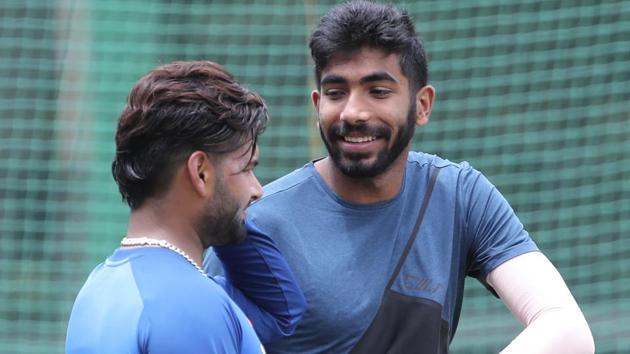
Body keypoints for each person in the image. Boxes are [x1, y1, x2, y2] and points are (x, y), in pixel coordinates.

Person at [205, 1, 595, 353]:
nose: (353, 112)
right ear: (317, 103)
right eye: (336, 92)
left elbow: (565, 328)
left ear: (421, 105)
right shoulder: (258, 226)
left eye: (377, 91)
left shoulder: (458, 194)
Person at [66, 61, 306, 353]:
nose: (256, 190)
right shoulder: (191, 303)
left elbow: (279, 313)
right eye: (246, 169)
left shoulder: (98, 286)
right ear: (201, 172)